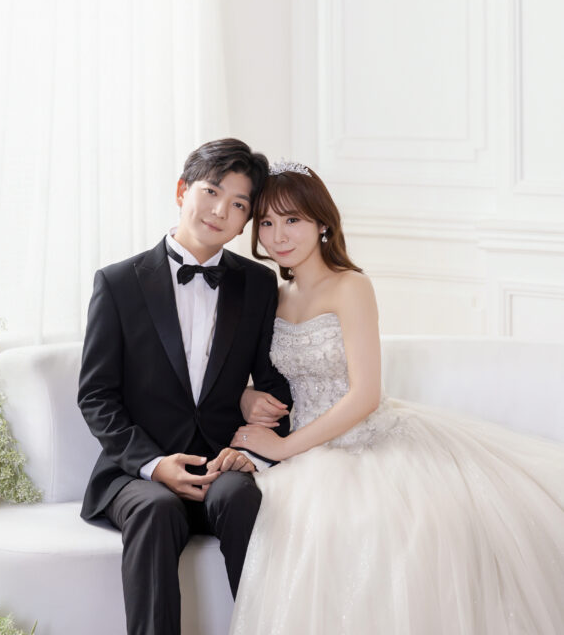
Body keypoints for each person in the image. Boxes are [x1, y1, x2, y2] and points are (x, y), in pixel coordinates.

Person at [228, 160, 564, 635]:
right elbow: (258, 373)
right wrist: (247, 397)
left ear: (322, 223)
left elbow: (366, 395)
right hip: (307, 449)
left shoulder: (350, 285)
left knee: (398, 530)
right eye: (266, 222)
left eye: (292, 219)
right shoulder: (275, 295)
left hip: (367, 441)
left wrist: (283, 447)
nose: (278, 235)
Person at [78, 138, 292, 635]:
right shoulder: (118, 282)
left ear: (246, 221)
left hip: (223, 463)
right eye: (211, 192)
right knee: (155, 510)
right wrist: (154, 464)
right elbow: (96, 395)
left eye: (238, 205)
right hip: (139, 473)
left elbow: (275, 382)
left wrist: (251, 448)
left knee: (240, 498)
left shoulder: (258, 285)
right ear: (182, 191)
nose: (220, 211)